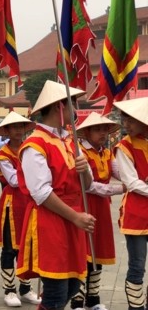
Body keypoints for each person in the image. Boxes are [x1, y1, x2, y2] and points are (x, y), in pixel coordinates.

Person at [16, 80, 95, 310]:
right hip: (50, 221)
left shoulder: (69, 140)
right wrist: (76, 217)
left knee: (73, 284)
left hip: (71, 220)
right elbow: (41, 193)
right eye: (73, 104)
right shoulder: (35, 144)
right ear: (60, 107)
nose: (76, 110)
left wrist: (85, 170)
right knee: (56, 290)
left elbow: (87, 185)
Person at [70, 112, 124, 310]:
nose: (103, 133)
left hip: (101, 208)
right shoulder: (81, 153)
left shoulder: (107, 153)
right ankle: (77, 300)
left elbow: (122, 173)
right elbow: (90, 186)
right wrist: (124, 188)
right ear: (86, 132)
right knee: (83, 253)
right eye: (98, 129)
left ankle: (93, 299)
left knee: (97, 253)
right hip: (84, 206)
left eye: (105, 129)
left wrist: (136, 177)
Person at [0, 111, 40, 307]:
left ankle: (26, 288)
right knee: (10, 248)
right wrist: (36, 175)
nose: (18, 130)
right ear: (8, 130)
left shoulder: (31, 149)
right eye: (14, 127)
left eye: (21, 126)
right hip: (12, 204)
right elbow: (13, 180)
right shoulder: (3, 155)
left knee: (27, 246)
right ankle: (9, 290)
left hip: (29, 201)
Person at [112, 97, 148, 310]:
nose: (126, 124)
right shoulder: (124, 146)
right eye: (125, 120)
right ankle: (136, 307)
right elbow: (132, 183)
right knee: (137, 265)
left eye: (131, 120)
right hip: (136, 213)